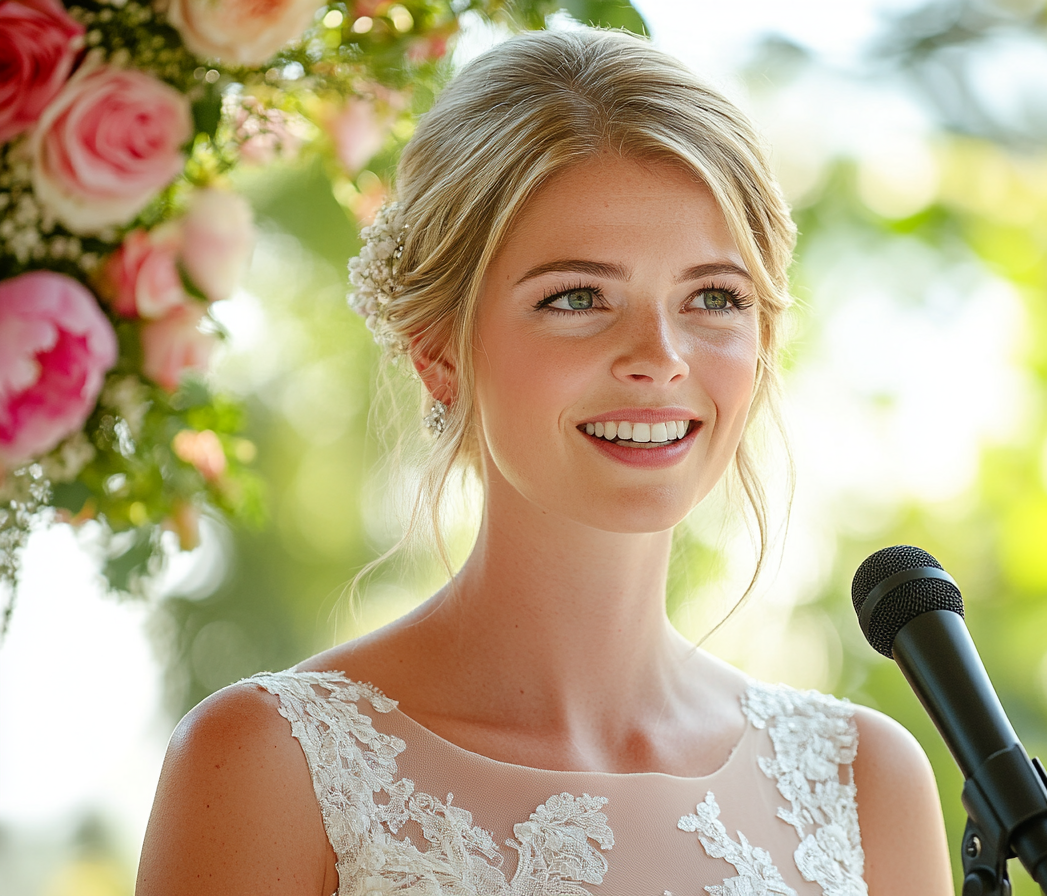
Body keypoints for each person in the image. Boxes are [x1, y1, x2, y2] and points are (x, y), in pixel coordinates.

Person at [136, 28, 953, 896]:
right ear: (438, 350)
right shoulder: (272, 765)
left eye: (714, 296)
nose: (661, 355)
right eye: (577, 297)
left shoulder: (864, 785)